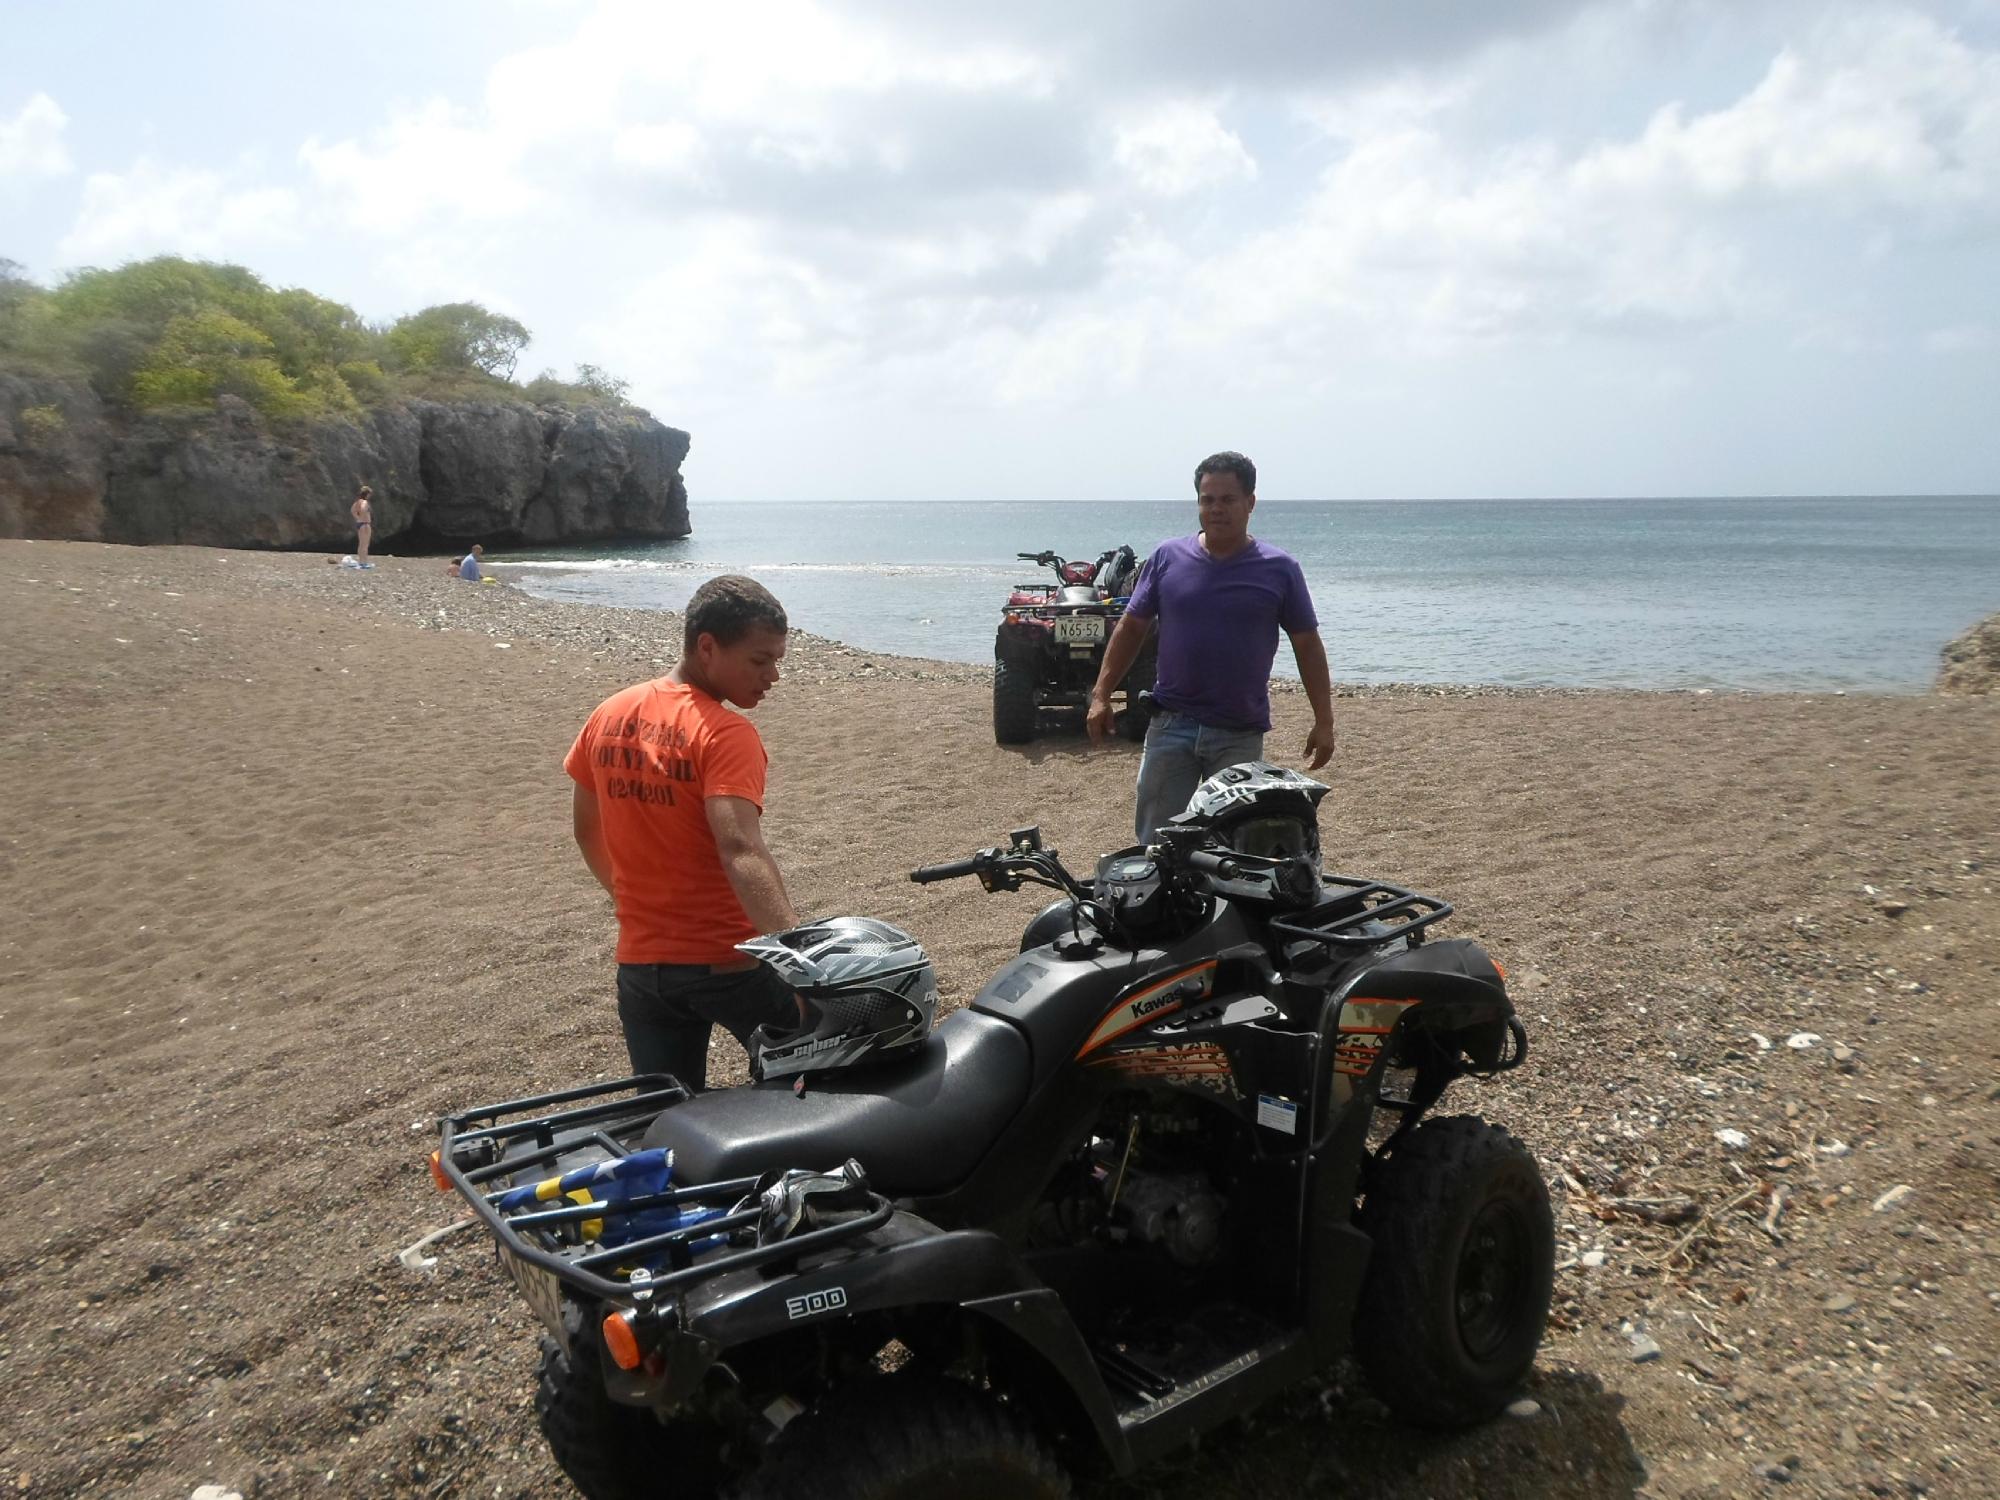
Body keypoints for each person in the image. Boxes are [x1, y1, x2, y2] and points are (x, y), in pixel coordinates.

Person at [565, 575, 801, 1090]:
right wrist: (797, 957)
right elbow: (740, 847)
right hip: (728, 963)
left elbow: (587, 830)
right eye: (760, 661)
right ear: (707, 647)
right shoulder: (724, 732)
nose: (774, 675)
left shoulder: (609, 713)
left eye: (778, 660)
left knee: (663, 1115)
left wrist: (632, 901)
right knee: (813, 1083)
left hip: (643, 968)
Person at [1087, 451, 1336, 843]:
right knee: (1158, 844)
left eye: (1227, 499)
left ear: (1250, 503)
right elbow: (1131, 627)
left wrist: (1324, 721)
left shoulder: (1279, 568)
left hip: (1238, 732)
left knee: (1235, 845)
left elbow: (1307, 645)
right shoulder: (1168, 558)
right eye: (1207, 499)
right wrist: (1101, 694)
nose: (1216, 509)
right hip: (1170, 726)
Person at [350, 485, 375, 568]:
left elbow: (352, 511)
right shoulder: (365, 502)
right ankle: (364, 562)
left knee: (361, 544)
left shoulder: (357, 502)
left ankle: (361, 561)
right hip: (365, 524)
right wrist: (363, 516)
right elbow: (363, 509)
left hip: (360, 524)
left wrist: (358, 518)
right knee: (365, 544)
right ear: (367, 494)